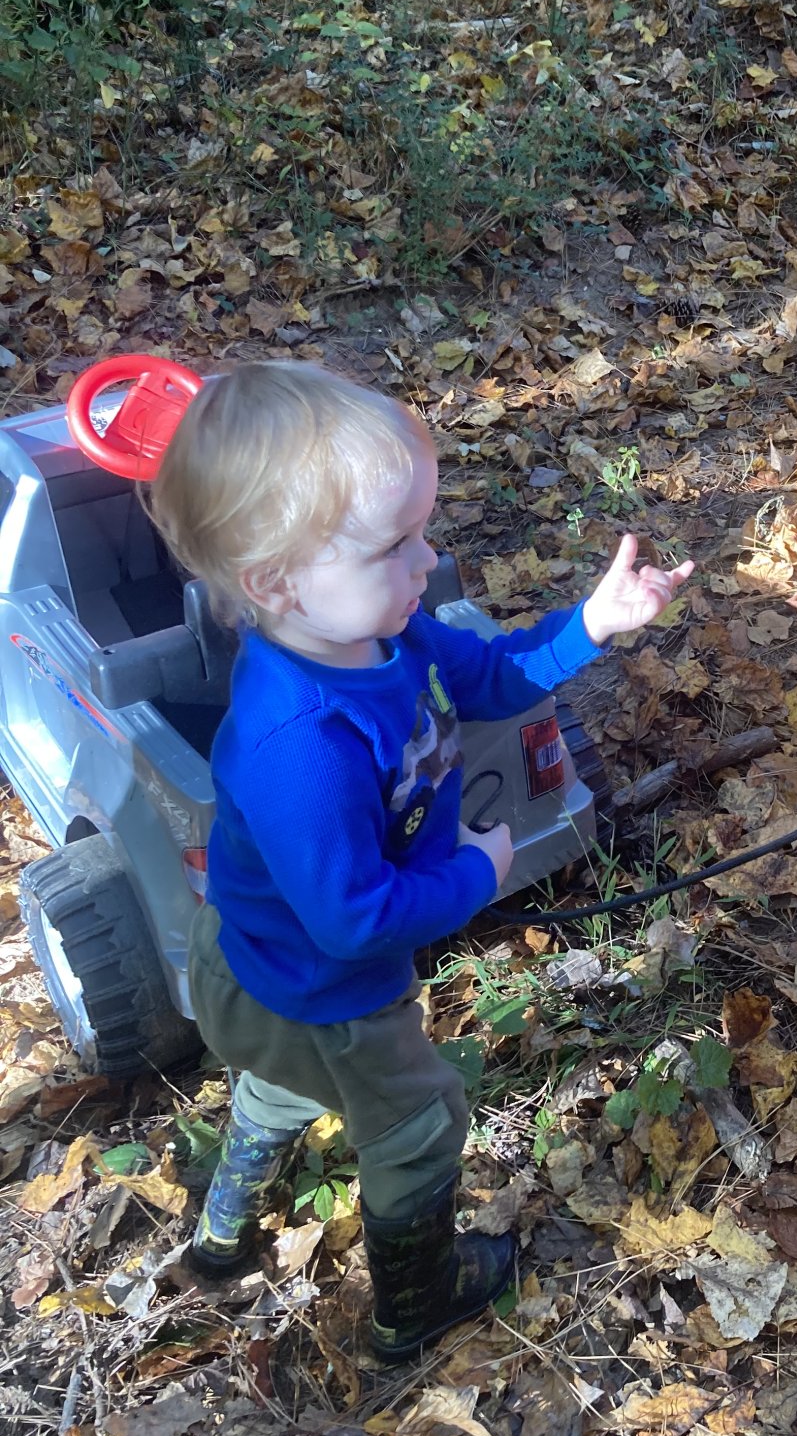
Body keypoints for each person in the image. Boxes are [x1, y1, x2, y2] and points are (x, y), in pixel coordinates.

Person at [148, 361, 691, 1360]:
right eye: (394, 545)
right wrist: (477, 874)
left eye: (421, 531)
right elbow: (352, 919)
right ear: (275, 582)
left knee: (281, 1085)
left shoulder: (391, 639)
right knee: (419, 1125)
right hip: (320, 989)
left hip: (273, 969)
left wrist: (591, 626)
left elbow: (493, 676)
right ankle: (416, 1301)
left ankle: (222, 1234)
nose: (427, 558)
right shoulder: (298, 742)